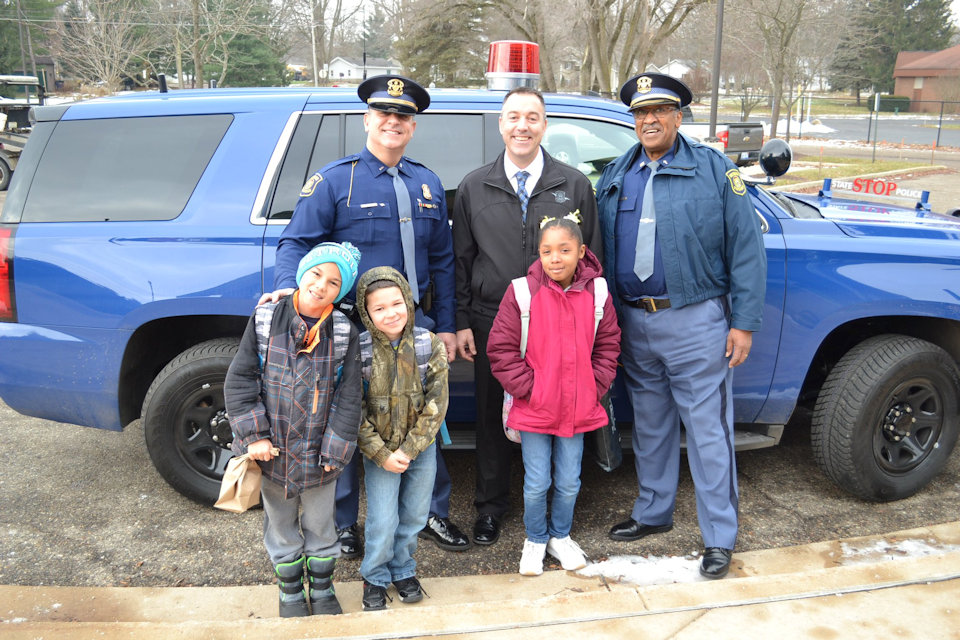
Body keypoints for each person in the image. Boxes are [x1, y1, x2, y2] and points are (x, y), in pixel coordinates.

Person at [266, 75, 469, 556]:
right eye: (384, 114)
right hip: (349, 328)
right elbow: (296, 242)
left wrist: (443, 323)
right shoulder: (337, 180)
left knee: (423, 419)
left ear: (412, 127)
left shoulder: (428, 183)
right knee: (345, 422)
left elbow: (442, 260)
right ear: (367, 120)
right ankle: (343, 524)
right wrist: (287, 292)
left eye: (403, 116)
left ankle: (430, 513)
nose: (393, 122)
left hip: (410, 328)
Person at [595, 73, 766, 579]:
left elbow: (745, 249)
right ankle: (654, 512)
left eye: (660, 111)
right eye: (640, 113)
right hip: (633, 319)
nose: (649, 120)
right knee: (649, 423)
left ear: (678, 116)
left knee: (708, 431)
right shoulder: (615, 175)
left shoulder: (715, 170)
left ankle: (719, 536)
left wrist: (745, 323)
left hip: (695, 318)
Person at [452, 86, 602, 547]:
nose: (522, 125)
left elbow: (594, 258)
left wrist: (595, 323)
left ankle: (559, 506)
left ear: (544, 125)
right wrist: (460, 320)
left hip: (563, 324)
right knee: (494, 417)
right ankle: (491, 506)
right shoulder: (474, 186)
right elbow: (459, 259)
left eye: (532, 117)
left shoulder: (573, 184)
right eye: (513, 117)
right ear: (501, 124)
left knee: (560, 407)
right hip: (492, 319)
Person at [224, 241, 363, 617]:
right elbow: (240, 380)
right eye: (317, 274)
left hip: (321, 457)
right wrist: (255, 436)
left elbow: (349, 395)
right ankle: (289, 591)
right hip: (274, 453)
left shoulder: (344, 332)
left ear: (342, 290)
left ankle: (322, 587)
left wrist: (336, 448)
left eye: (335, 282)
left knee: (321, 522)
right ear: (302, 273)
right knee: (281, 523)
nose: (322, 286)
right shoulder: (267, 318)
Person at [486, 214, 620, 576]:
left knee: (569, 479)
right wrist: (529, 388)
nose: (555, 258)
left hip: (578, 406)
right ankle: (534, 539)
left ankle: (560, 536)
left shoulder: (598, 292)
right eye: (547, 251)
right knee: (537, 480)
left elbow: (608, 346)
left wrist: (594, 385)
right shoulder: (522, 291)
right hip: (535, 407)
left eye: (564, 250)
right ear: (539, 254)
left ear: (581, 251)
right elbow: (501, 349)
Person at [354, 266, 449, 610]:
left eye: (397, 303)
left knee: (414, 515)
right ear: (366, 312)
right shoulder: (359, 350)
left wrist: (409, 450)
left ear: (408, 302)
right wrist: (380, 454)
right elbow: (354, 409)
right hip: (379, 451)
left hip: (419, 451)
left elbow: (437, 403)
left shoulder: (428, 344)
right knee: (382, 518)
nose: (390, 313)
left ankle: (403, 569)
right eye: (379, 308)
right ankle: (375, 575)